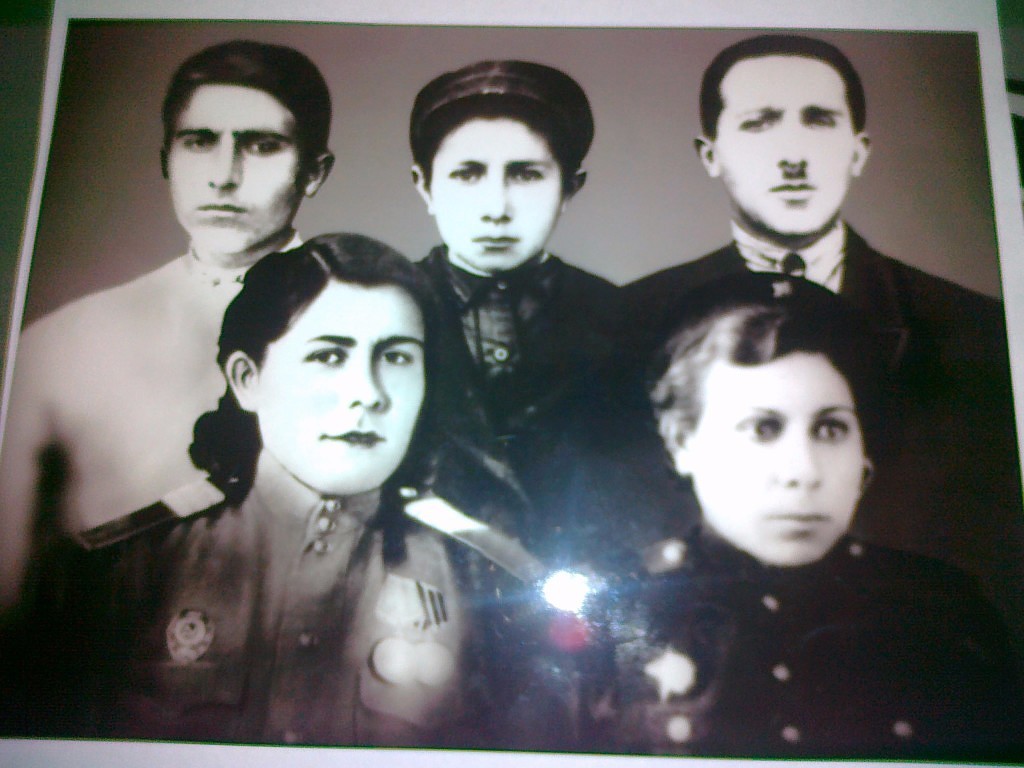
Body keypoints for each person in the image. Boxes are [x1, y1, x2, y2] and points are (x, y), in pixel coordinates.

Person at [624, 34, 1023, 653]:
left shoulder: (980, 330)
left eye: (818, 120)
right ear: (710, 154)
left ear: (859, 151)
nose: (793, 157)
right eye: (759, 123)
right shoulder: (628, 322)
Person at [2, 233, 483, 747]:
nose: (367, 393)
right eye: (328, 356)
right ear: (247, 379)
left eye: (397, 357)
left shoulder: (477, 578)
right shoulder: (121, 569)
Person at [599, 273, 1023, 759]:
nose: (803, 471)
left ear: (865, 455)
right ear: (681, 443)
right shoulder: (614, 616)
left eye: (831, 429)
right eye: (762, 428)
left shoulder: (946, 615)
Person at [0, 40, 335, 609]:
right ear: (166, 160)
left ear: (313, 173)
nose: (224, 177)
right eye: (199, 142)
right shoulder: (62, 346)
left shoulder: (397, 333)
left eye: (262, 145)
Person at [408, 59, 625, 555]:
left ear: (569, 188)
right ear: (425, 186)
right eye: (468, 174)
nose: (496, 209)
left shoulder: (624, 317)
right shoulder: (377, 310)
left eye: (525, 175)